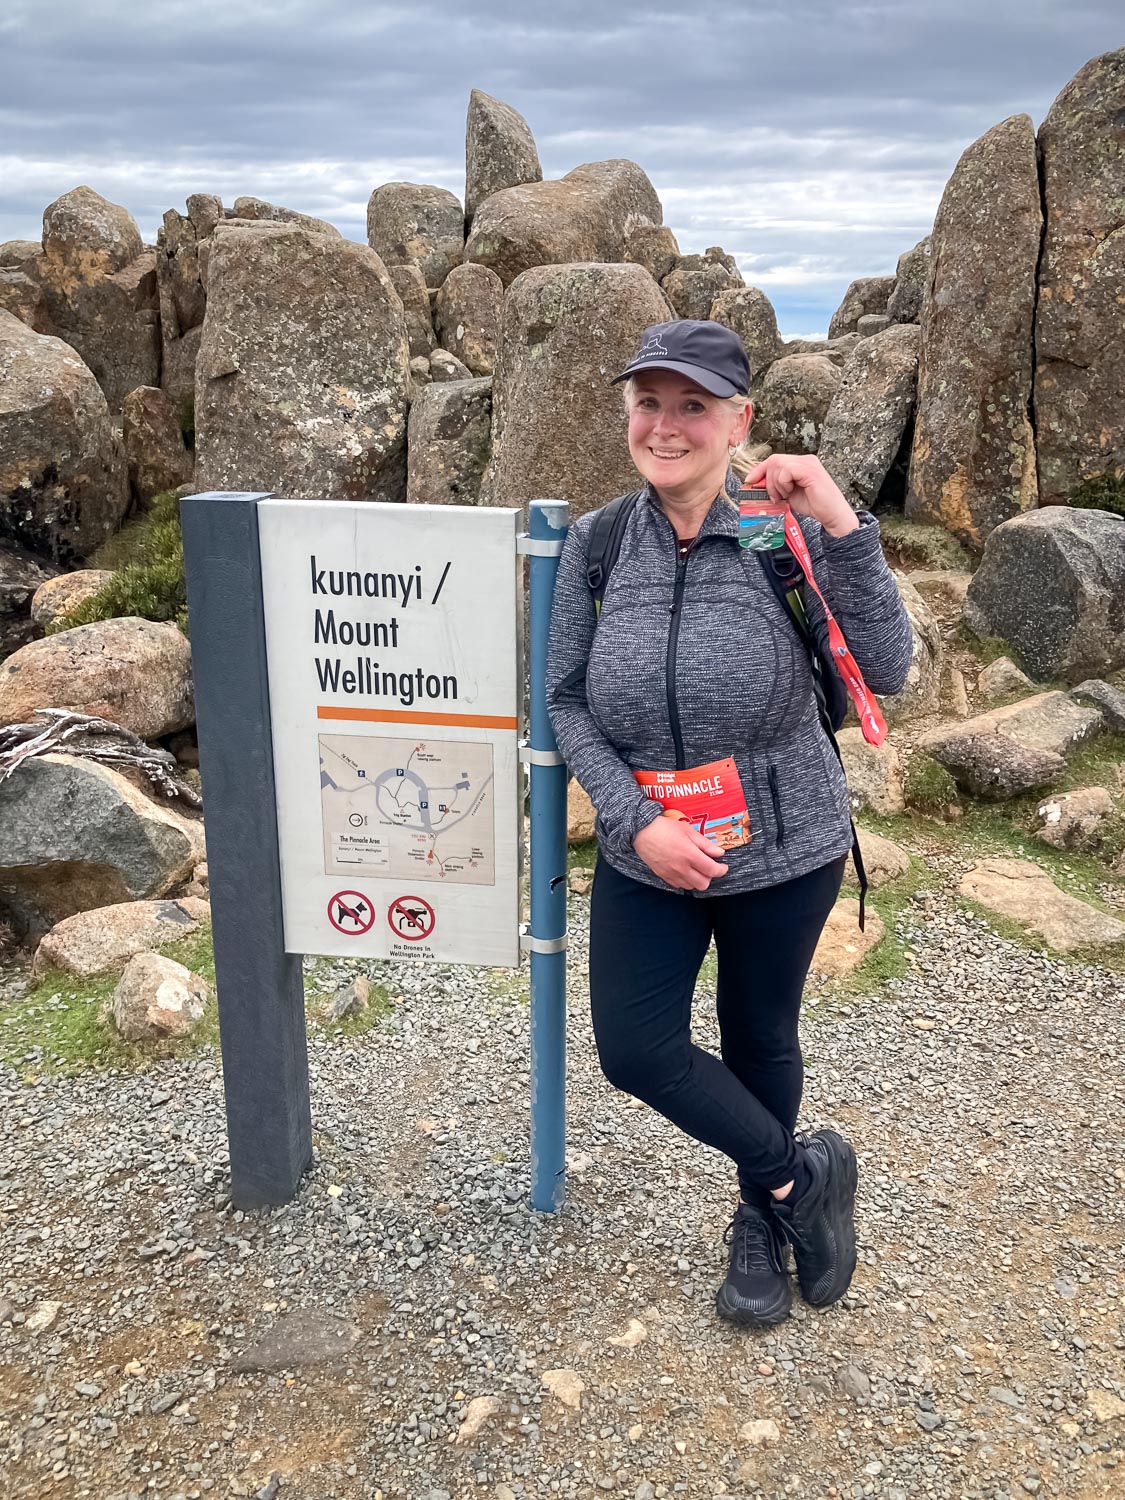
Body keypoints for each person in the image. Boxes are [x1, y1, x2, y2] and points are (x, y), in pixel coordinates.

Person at [546, 319, 914, 1327]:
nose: (665, 426)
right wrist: (634, 821)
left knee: (760, 1036)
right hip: (649, 850)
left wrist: (843, 521)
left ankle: (758, 1220)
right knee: (635, 1048)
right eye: (648, 403)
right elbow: (566, 702)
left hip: (784, 849)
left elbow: (885, 669)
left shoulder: (769, 529)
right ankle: (798, 1176)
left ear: (738, 420)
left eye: (692, 406)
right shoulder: (599, 542)